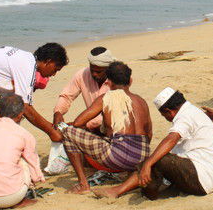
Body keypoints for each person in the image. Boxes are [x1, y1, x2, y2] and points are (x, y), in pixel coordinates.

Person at [94, 88, 213, 200]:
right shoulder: (191, 111)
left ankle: (124, 191)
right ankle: (124, 188)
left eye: (164, 116)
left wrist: (148, 163)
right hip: (205, 176)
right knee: (155, 158)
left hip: (202, 179)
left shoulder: (185, 116)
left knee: (157, 159)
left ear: (169, 111)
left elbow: (171, 138)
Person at [59, 61, 153, 193]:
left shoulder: (106, 97)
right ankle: (130, 173)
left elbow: (78, 123)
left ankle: (83, 184)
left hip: (117, 156)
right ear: (130, 80)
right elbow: (149, 134)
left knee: (68, 132)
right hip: (143, 156)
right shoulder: (141, 101)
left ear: (109, 82)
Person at [0, 94, 45, 210]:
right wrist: (37, 178)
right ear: (21, 115)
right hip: (13, 196)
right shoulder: (24, 134)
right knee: (22, 160)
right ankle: (20, 200)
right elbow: (33, 165)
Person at [52, 46, 115, 129]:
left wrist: (83, 124)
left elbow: (115, 115)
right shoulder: (82, 74)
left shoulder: (117, 79)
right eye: (92, 70)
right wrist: (58, 112)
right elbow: (67, 96)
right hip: (90, 127)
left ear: (108, 69)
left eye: (99, 71)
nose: (94, 74)